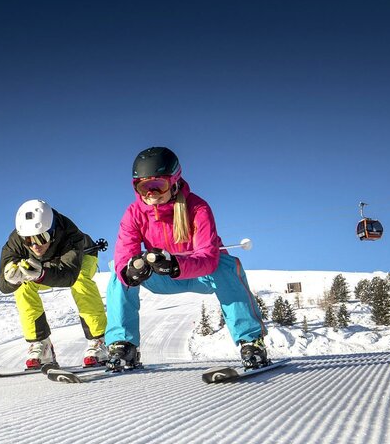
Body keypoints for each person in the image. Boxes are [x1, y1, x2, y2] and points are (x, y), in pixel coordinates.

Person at [104, 147, 269, 371]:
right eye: (143, 187)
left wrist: (175, 265)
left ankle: (251, 342)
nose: (151, 193)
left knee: (228, 266)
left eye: (157, 185)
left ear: (174, 181)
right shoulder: (134, 213)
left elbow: (208, 259)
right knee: (118, 275)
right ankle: (124, 345)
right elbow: (124, 252)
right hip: (161, 278)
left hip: (200, 276)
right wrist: (130, 271)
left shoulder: (197, 207)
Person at [0, 199, 109, 369]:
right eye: (28, 240)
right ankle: (42, 346)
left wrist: (41, 274)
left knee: (80, 280)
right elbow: (2, 285)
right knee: (23, 285)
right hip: (45, 266)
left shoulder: (69, 233)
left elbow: (69, 276)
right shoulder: (15, 240)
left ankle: (99, 341)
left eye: (42, 237)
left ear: (53, 231)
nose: (35, 245)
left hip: (83, 257)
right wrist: (12, 280)